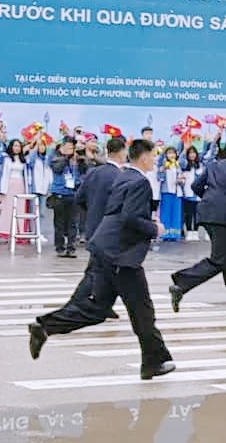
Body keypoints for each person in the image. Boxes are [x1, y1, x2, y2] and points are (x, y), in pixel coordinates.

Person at [29, 140, 174, 380]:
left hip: (108, 250)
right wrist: (154, 228)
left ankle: (45, 326)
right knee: (142, 311)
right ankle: (154, 361)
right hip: (121, 256)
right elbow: (130, 218)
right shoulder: (139, 182)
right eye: (153, 156)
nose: (155, 161)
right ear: (144, 157)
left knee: (97, 309)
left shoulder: (124, 176)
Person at [169, 134, 226, 317]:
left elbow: (195, 186)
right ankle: (181, 282)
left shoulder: (214, 165)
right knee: (220, 259)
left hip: (211, 214)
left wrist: (212, 199)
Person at [65, 135, 126, 313]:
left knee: (106, 270)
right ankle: (75, 304)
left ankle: (103, 304)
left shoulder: (94, 173)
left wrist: (92, 212)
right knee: (96, 271)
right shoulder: (120, 176)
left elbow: (79, 198)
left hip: (93, 227)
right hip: (110, 231)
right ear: (122, 153)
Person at [47, 136, 80, 257]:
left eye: (72, 147)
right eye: (68, 147)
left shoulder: (76, 159)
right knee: (59, 223)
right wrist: (66, 157)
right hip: (59, 193)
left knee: (73, 223)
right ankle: (59, 247)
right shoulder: (55, 157)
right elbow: (57, 168)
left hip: (73, 194)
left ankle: (71, 247)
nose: (70, 149)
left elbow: (83, 171)